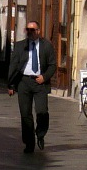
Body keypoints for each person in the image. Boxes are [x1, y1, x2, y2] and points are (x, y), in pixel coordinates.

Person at [7, 21, 56, 154]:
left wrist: (44, 77)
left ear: (38, 31)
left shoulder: (46, 46)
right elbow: (13, 65)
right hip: (24, 82)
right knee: (25, 114)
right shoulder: (19, 46)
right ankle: (29, 143)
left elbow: (52, 65)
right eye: (27, 29)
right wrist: (11, 85)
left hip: (40, 82)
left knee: (42, 112)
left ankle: (40, 134)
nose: (29, 32)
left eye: (32, 30)